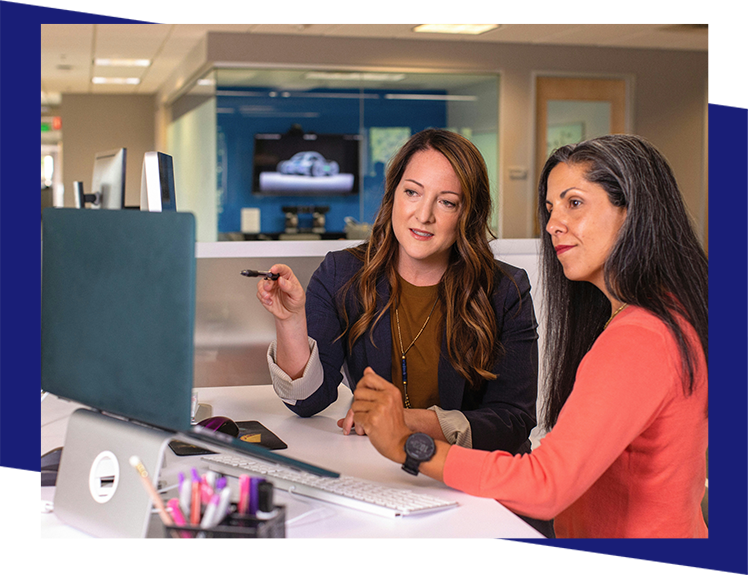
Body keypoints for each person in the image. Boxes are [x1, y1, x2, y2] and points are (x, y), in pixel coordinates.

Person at [351, 134, 708, 538]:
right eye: (551, 208)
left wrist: (407, 445)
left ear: (633, 213)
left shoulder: (641, 337)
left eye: (575, 203)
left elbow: (546, 485)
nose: (554, 224)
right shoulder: (663, 315)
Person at [257, 129, 551, 535]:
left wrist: (406, 424)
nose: (423, 215)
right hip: (386, 483)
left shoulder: (504, 288)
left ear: (468, 214)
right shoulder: (342, 273)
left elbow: (513, 421)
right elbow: (308, 401)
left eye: (446, 202)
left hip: (479, 489)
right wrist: (289, 321)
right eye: (412, 192)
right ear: (393, 194)